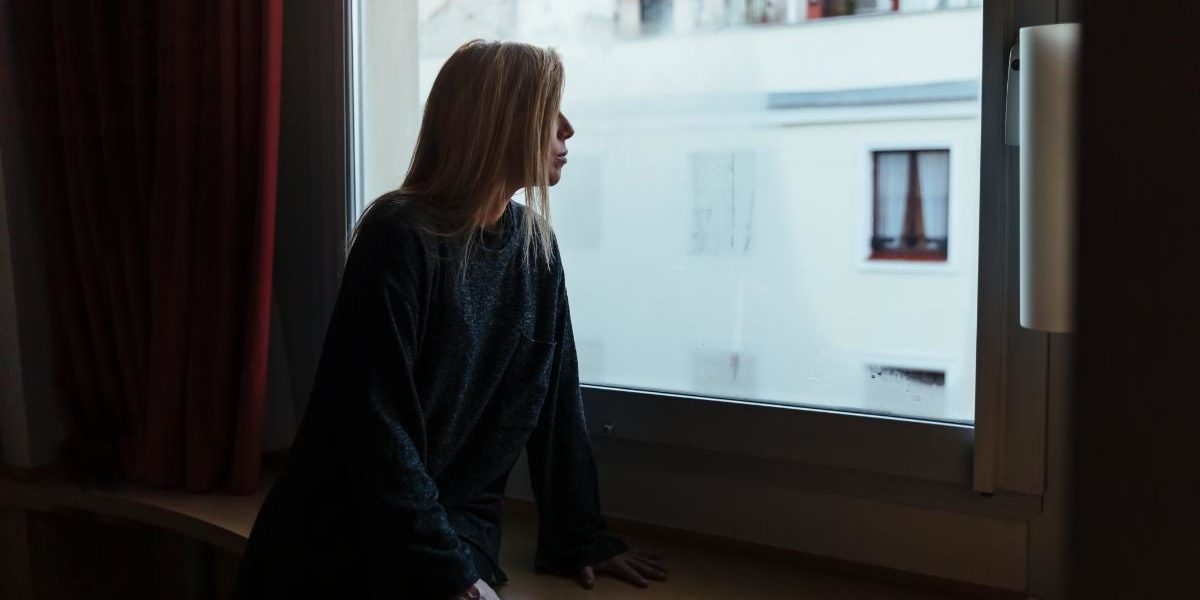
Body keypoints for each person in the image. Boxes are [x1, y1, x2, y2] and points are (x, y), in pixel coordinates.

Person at [232, 40, 668, 600]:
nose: (568, 128)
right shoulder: (400, 236)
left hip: (454, 533)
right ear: (498, 122)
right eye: (549, 110)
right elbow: (377, 429)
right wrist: (451, 572)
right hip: (344, 537)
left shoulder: (534, 247)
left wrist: (580, 536)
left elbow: (557, 399)